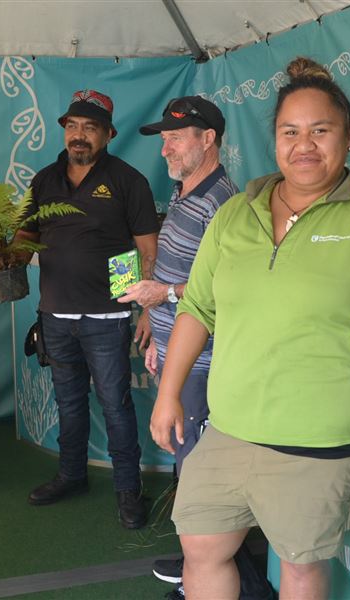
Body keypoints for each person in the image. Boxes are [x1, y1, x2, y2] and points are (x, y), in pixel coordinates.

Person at [150, 57, 350, 599]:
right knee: (202, 549)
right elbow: (198, 309)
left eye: (321, 131)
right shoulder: (236, 214)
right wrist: (168, 396)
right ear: (274, 141)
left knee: (299, 567)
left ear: (347, 140)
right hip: (229, 427)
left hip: (319, 440)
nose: (305, 145)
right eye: (290, 132)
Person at [120, 96, 270, 599]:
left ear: (208, 140)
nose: (165, 150)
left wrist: (161, 295)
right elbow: (183, 274)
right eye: (164, 139)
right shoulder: (187, 191)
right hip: (181, 357)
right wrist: (159, 333)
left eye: (176, 138)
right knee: (192, 472)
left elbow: (229, 289)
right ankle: (199, 567)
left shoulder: (224, 201)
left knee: (206, 481)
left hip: (206, 366)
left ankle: (230, 581)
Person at [15, 89, 159, 529]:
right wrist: (8, 259)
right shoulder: (44, 180)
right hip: (55, 312)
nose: (79, 135)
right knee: (69, 401)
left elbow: (146, 249)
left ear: (108, 134)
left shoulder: (127, 180)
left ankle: (127, 490)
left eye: (90, 128)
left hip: (106, 315)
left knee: (115, 404)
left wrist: (147, 308)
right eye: (73, 126)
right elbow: (26, 236)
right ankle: (72, 475)